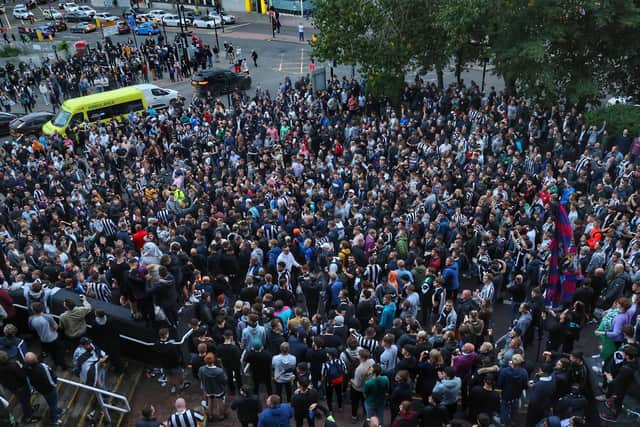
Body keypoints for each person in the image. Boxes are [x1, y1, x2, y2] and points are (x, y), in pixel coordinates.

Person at [23, 352, 65, 426]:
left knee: (50, 401)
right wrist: (54, 385)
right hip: (49, 389)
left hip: (40, 389)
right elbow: (50, 378)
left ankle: (57, 410)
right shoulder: (42, 367)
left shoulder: (26, 368)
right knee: (53, 404)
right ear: (35, 358)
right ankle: (54, 419)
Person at [0, 350, 40, 424]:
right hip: (21, 387)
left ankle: (30, 409)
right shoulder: (13, 366)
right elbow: (23, 376)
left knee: (24, 401)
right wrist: (21, 367)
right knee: (25, 402)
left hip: (13, 388)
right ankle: (28, 417)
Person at [28, 301, 67, 370]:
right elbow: (56, 327)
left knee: (52, 353)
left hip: (43, 340)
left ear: (33, 311)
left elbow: (31, 329)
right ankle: (63, 366)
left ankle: (55, 363)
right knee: (59, 353)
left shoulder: (30, 319)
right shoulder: (47, 317)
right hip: (54, 338)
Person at [199, 352, 227, 421]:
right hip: (218, 389)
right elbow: (224, 380)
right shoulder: (219, 371)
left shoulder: (201, 369)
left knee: (210, 401)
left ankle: (210, 416)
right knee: (219, 402)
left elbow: (200, 377)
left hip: (208, 388)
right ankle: (221, 416)